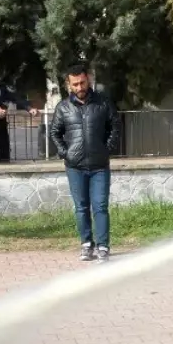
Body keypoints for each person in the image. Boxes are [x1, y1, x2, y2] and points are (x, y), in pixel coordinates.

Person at [49, 64, 120, 263]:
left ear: (88, 79)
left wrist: (107, 148)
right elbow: (54, 133)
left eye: (82, 82)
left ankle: (103, 246)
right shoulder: (63, 107)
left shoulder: (103, 103)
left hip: (99, 166)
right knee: (81, 207)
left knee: (100, 206)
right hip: (75, 167)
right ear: (68, 85)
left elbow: (115, 125)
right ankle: (87, 244)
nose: (79, 87)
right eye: (75, 84)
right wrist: (65, 153)